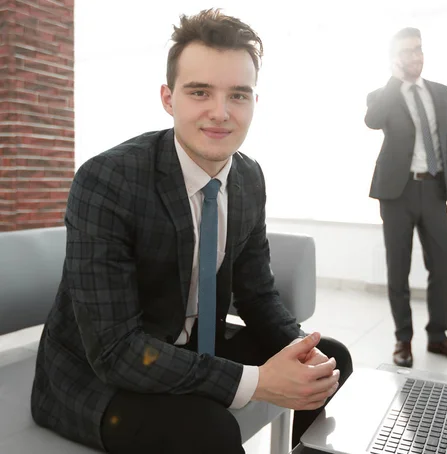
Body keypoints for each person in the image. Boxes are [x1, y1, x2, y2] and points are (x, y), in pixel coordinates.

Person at [30, 9, 353, 453]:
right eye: (200, 92)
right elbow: (115, 350)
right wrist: (257, 381)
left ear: (255, 101)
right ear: (168, 98)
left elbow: (257, 295)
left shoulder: (248, 178)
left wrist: (300, 346)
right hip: (99, 374)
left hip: (192, 348)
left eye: (238, 95)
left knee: (330, 363)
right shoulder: (107, 180)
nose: (220, 113)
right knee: (208, 429)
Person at [364, 27, 447, 368]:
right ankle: (403, 340)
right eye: (407, 51)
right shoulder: (383, 94)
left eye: (418, 49)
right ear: (394, 58)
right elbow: (372, 121)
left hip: (434, 189)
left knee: (443, 265)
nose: (415, 56)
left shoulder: (441, 93)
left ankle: (438, 336)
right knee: (398, 269)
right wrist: (394, 80)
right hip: (397, 192)